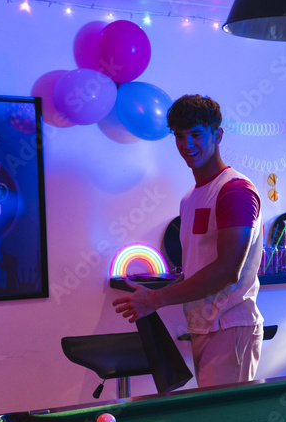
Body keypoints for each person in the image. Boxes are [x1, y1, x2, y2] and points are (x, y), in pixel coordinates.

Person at [113, 94, 263, 388]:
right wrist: (159, 291)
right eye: (179, 136)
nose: (187, 145)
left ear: (217, 134)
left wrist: (156, 299)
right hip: (203, 325)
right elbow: (198, 269)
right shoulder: (189, 198)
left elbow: (227, 269)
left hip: (231, 324)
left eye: (196, 134)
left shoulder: (235, 190)